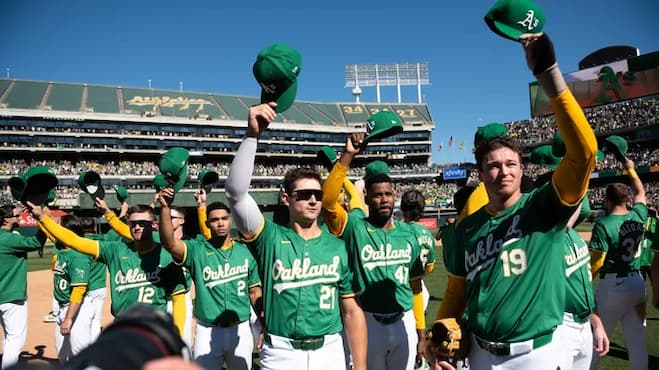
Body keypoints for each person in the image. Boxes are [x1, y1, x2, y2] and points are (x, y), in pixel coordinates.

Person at [433, 32, 598, 370]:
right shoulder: (470, 228)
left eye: (511, 164)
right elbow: (458, 291)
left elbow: (583, 155)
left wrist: (549, 76)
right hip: (479, 354)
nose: (502, 172)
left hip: (536, 354)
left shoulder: (543, 208)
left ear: (522, 170)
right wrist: (438, 340)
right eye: (493, 165)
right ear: (481, 173)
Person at [225, 102, 367, 370]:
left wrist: (360, 367)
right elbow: (236, 194)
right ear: (286, 198)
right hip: (281, 353)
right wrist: (252, 136)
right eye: (303, 195)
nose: (313, 200)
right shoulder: (269, 238)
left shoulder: (337, 246)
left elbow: (351, 310)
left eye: (317, 195)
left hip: (330, 351)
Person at [322, 138, 426, 370]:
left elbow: (415, 286)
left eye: (388, 194)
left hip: (404, 320)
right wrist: (347, 157)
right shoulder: (354, 228)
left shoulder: (408, 234)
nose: (384, 199)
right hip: (368, 322)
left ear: (394, 196)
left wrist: (421, 331)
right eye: (377, 194)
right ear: (366, 198)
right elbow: (328, 202)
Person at [28, 202, 188, 336]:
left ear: (154, 225)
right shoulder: (115, 250)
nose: (137, 227)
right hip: (121, 327)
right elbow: (74, 241)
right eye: (133, 224)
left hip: (153, 328)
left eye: (143, 224)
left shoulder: (166, 255)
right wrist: (43, 218)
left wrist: (178, 334)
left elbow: (178, 298)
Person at [158, 189, 262, 370]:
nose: (220, 223)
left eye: (224, 218)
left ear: (230, 221)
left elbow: (254, 292)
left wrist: (263, 324)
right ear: (207, 223)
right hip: (207, 330)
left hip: (241, 328)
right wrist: (165, 208)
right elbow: (170, 244)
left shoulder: (245, 251)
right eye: (214, 220)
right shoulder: (197, 250)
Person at [589, 158, 648, 370]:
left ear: (607, 200)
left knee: (596, 340)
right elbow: (641, 192)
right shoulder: (639, 215)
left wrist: (584, 282)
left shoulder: (604, 224)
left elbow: (596, 262)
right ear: (627, 199)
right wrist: (631, 170)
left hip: (613, 286)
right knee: (638, 341)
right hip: (637, 283)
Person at [49, 215, 106, 363]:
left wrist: (68, 318)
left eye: (59, 227)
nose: (56, 229)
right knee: (62, 355)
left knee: (81, 355)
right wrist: (38, 216)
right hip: (62, 308)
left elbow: (79, 289)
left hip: (77, 309)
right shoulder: (62, 248)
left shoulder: (78, 255)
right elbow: (50, 231)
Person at [0, 205, 48, 369]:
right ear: (6, 220)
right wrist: (43, 219)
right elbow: (36, 242)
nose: (20, 216)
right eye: (16, 215)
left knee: (8, 337)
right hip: (12, 297)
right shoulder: (9, 239)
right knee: (15, 340)